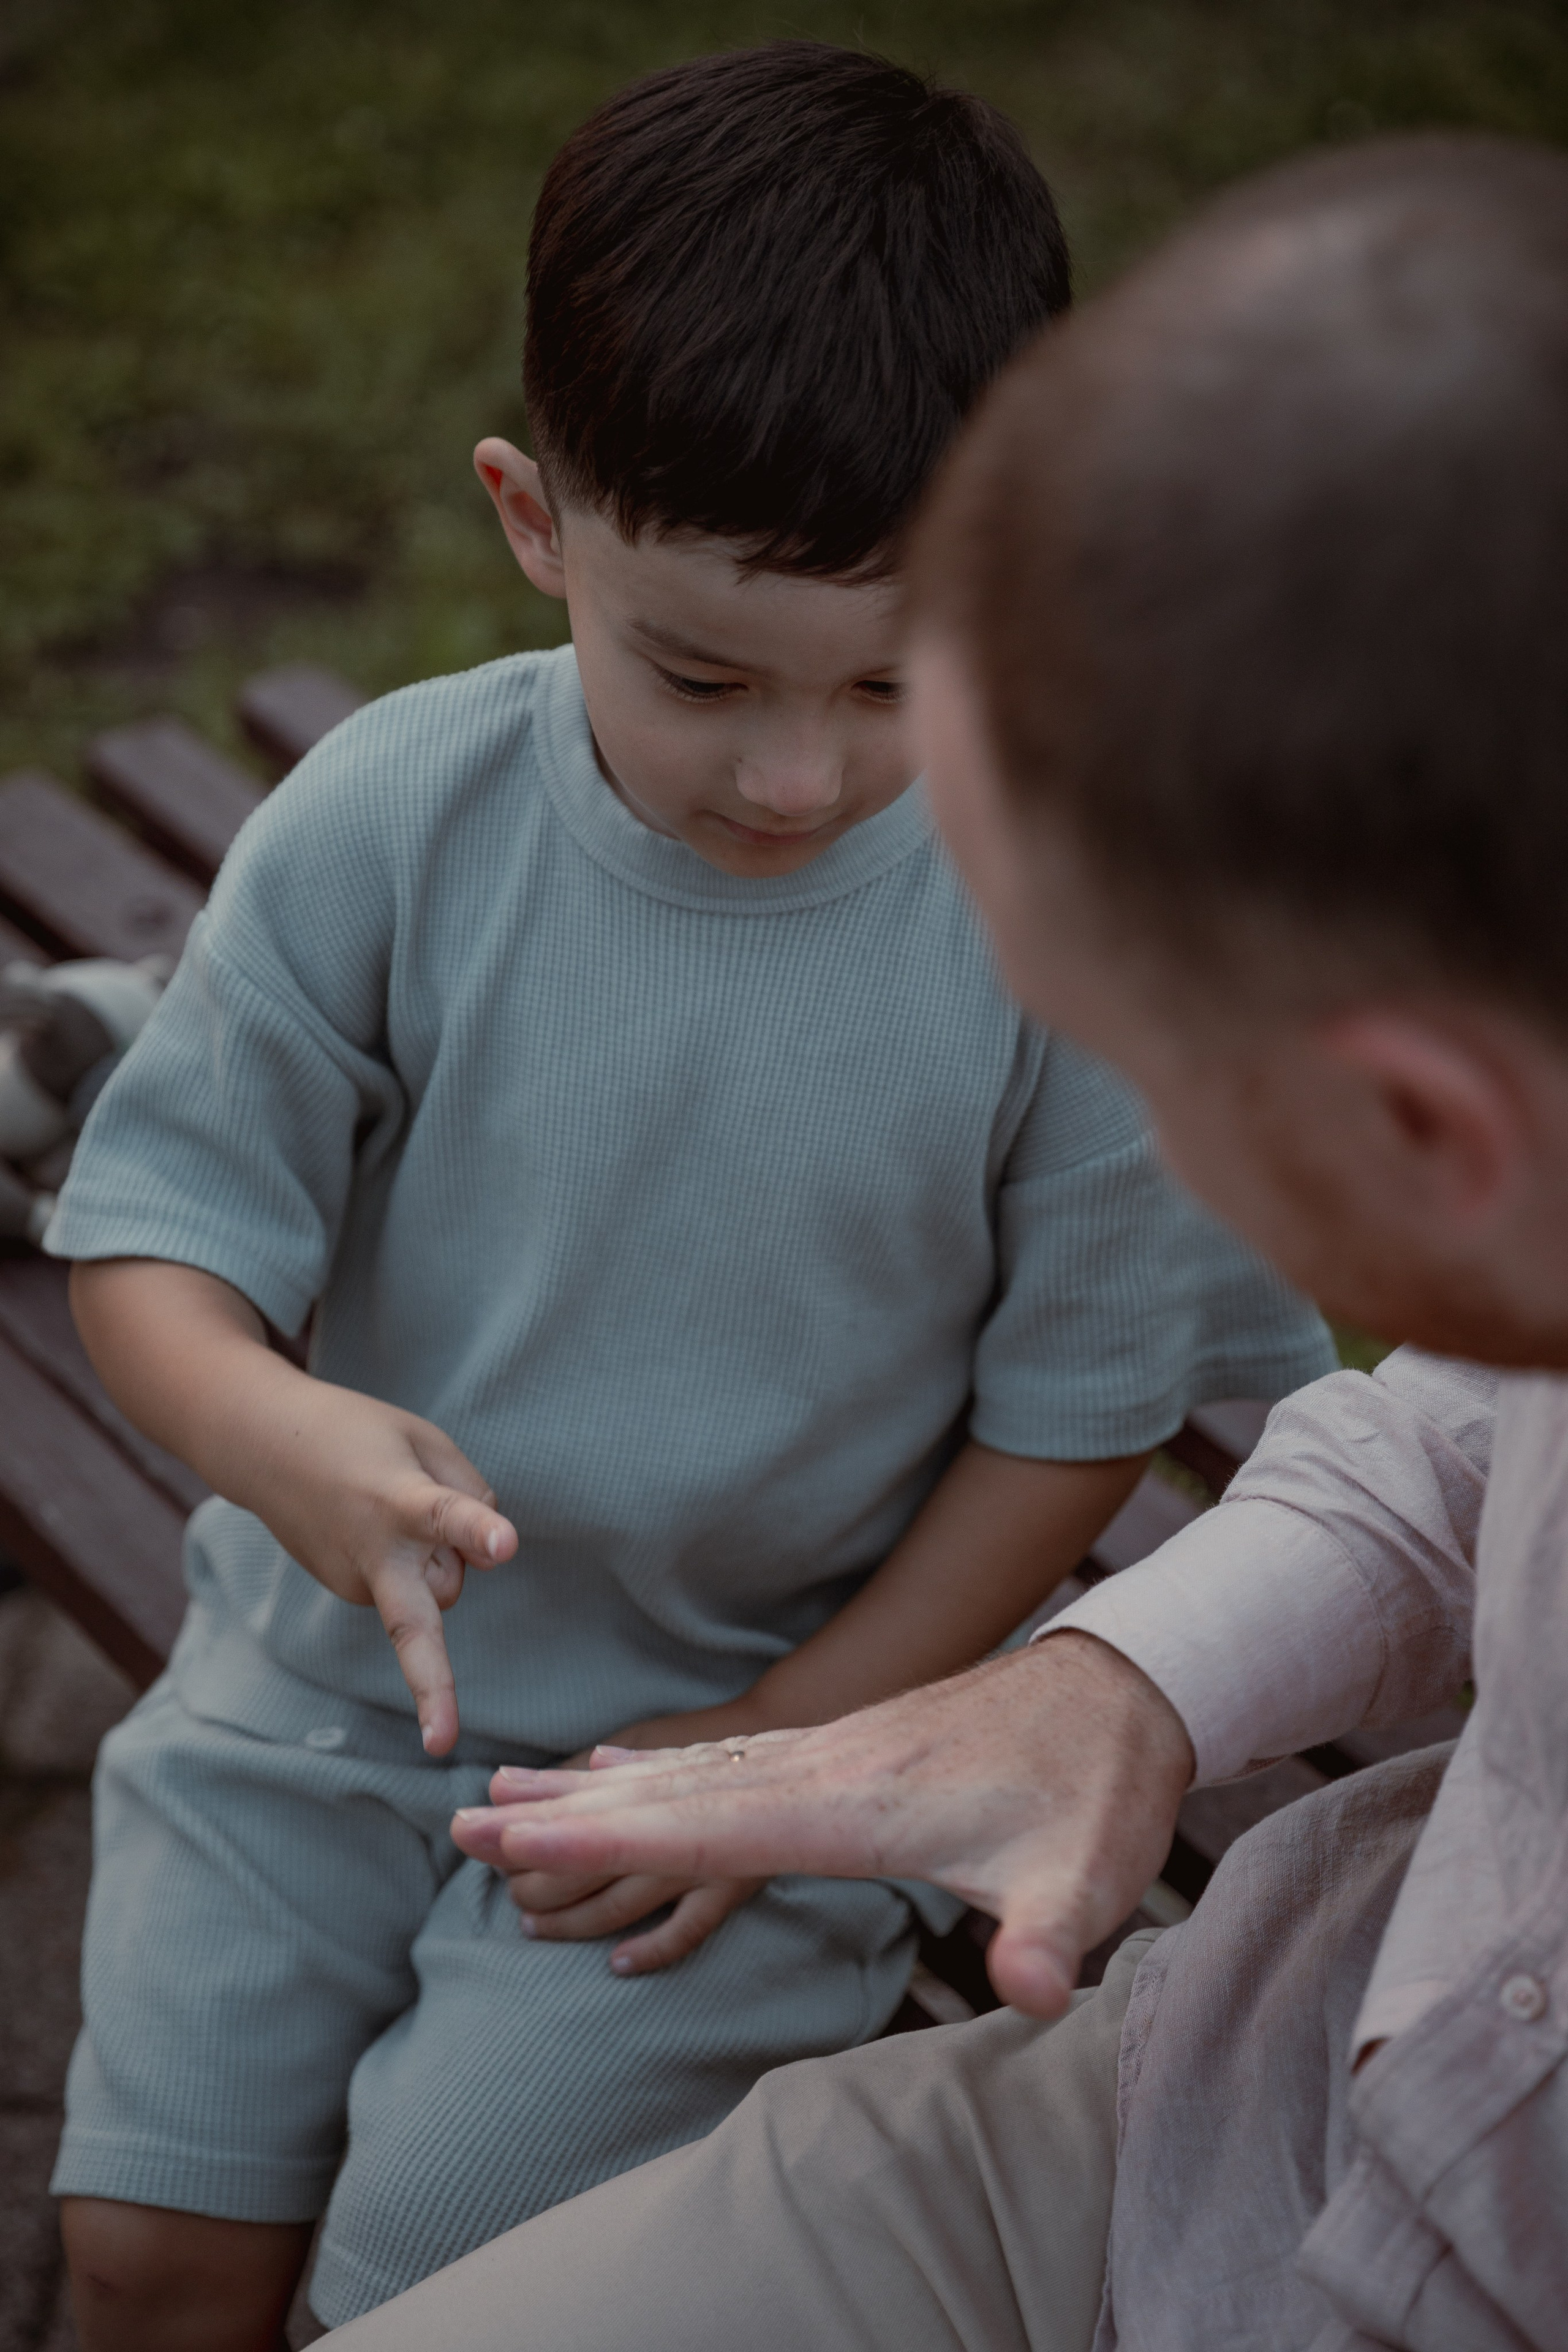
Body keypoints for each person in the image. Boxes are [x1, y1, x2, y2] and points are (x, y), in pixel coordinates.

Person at [47, 42, 1333, 2351]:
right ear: (536, 523)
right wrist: (282, 1439)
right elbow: (155, 1257)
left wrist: (791, 1760)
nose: (795, 770)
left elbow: (1073, 1424)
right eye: (704, 669)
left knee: (420, 2284)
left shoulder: (1062, 916)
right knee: (153, 2260)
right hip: (308, 1702)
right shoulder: (386, 824)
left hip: (754, 1761)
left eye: (891, 677)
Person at [325, 134, 1568, 2351]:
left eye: (1132, 1048)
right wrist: (1126, 1681)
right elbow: (1469, 1436)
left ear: (1426, 1130)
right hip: (1218, 2114)